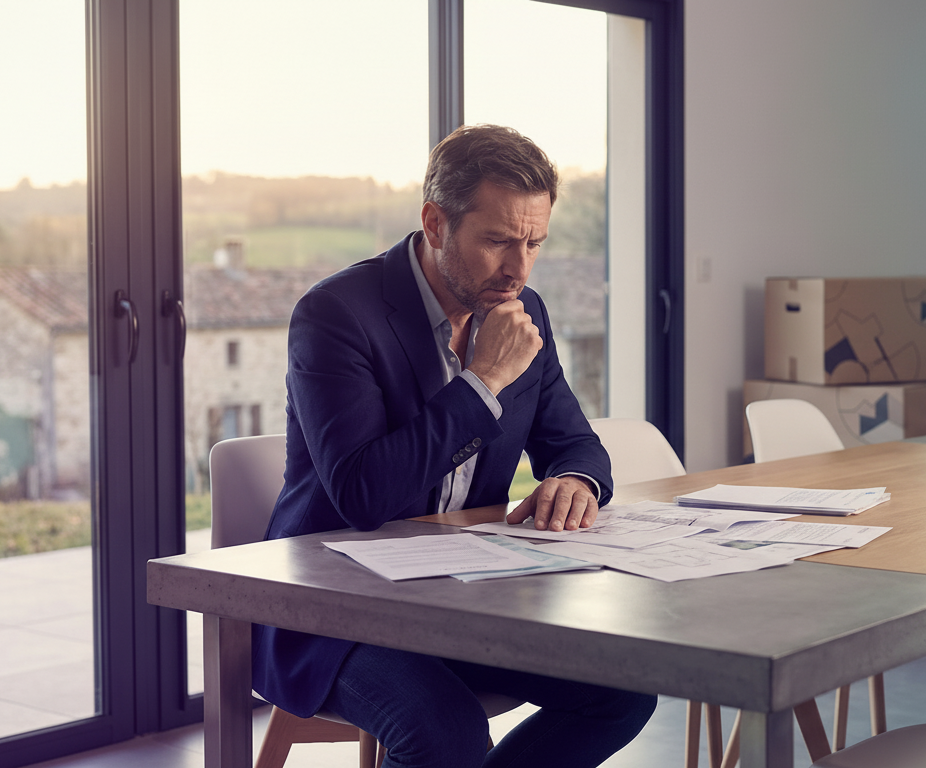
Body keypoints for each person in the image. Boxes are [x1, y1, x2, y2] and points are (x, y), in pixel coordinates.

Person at [252, 124, 657, 768]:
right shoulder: (336, 314)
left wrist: (575, 481)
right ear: (435, 223)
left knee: (623, 689)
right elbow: (365, 496)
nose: (518, 268)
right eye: (497, 241)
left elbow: (577, 444)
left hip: (462, 595)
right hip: (335, 610)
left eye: (534, 243)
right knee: (444, 730)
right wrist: (484, 380)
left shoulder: (524, 311)